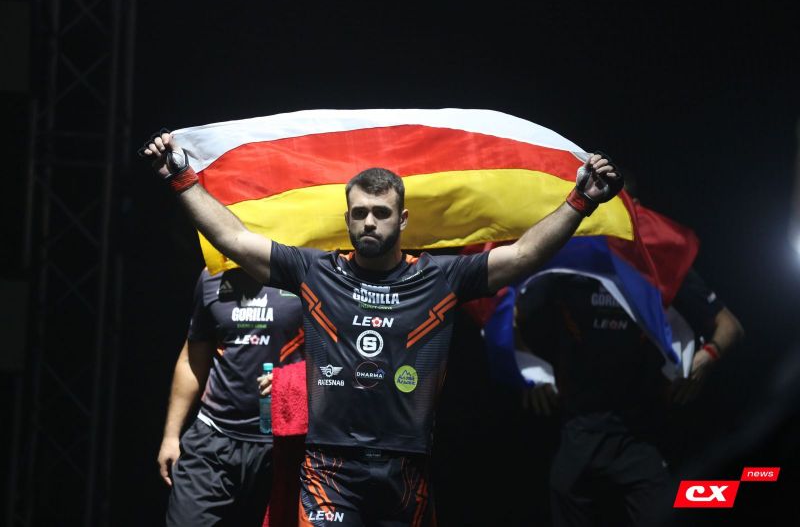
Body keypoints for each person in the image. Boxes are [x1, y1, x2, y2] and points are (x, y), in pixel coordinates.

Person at [141, 129, 622, 526]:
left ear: (402, 219)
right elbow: (232, 237)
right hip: (327, 472)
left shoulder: (440, 277)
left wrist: (581, 200)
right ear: (347, 218)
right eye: (360, 213)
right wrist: (181, 178)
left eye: (381, 213)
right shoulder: (315, 271)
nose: (369, 222)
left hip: (407, 475)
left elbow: (523, 255)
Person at [516, 263, 744, 526]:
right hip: (577, 436)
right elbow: (501, 317)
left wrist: (708, 356)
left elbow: (731, 326)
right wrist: (527, 368)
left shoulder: (659, 261)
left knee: (686, 506)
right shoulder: (568, 262)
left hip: (640, 440)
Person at [157, 267, 304, 526]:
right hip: (213, 439)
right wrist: (171, 436)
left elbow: (338, 354)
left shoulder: (304, 271)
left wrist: (295, 380)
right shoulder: (212, 275)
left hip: (284, 446)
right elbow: (192, 359)